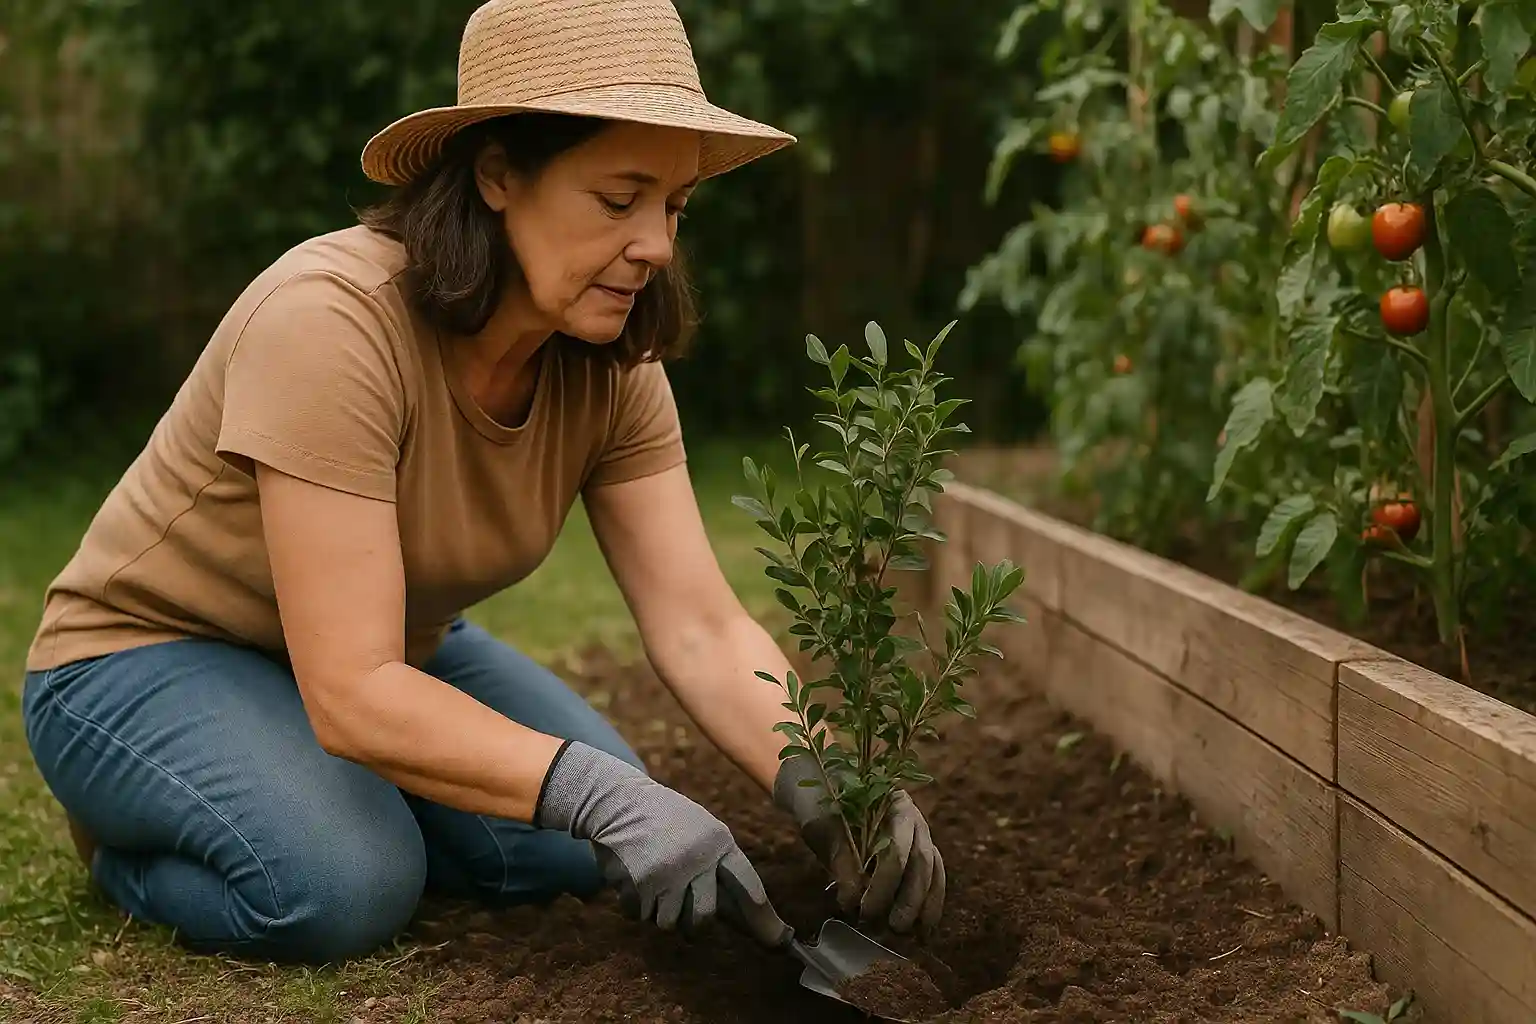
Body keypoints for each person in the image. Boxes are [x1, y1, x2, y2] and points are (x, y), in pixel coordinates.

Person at [19, 0, 946, 966]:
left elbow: (700, 626)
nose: (658, 245)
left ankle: (317, 790)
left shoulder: (611, 361)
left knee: (579, 851)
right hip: (146, 658)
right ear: (498, 175)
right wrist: (598, 792)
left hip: (391, 652)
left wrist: (831, 785)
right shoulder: (330, 323)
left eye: (674, 206)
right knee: (347, 882)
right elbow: (352, 686)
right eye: (618, 200)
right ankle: (136, 847)